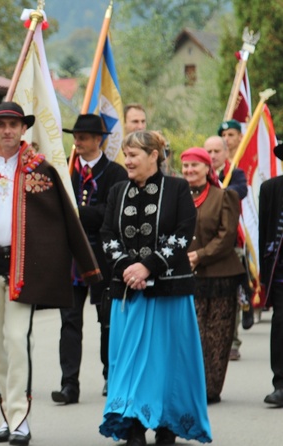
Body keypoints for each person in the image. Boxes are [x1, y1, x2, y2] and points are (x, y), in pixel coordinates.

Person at [0, 101, 102, 445]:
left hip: (20, 271)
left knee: (17, 340)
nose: (7, 131)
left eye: (13, 125)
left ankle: (20, 418)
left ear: (23, 129)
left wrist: (89, 269)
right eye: (1, 124)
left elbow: (61, 220)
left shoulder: (38, 169)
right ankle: (9, 410)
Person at [99, 131, 211, 445]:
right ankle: (133, 423)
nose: (127, 160)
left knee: (168, 362)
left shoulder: (177, 188)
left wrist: (149, 265)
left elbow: (183, 232)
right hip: (129, 293)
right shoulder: (118, 190)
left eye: (134, 154)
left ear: (154, 156)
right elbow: (107, 234)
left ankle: (167, 425)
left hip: (170, 294)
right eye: (126, 154)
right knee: (130, 361)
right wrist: (126, 267)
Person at [52, 114, 127, 405]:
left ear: (99, 140)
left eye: (83, 137)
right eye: (76, 137)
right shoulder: (65, 172)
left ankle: (112, 376)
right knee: (69, 323)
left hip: (103, 260)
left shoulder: (116, 174)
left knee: (107, 321)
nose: (77, 142)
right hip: (71, 260)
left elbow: (110, 215)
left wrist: (73, 211)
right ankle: (69, 384)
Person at [181, 147, 245, 404]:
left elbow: (227, 236)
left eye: (195, 166)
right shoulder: (178, 197)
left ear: (208, 168)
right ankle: (192, 385)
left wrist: (199, 255)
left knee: (217, 335)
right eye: (185, 166)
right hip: (187, 276)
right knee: (193, 333)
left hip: (221, 275)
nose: (189, 171)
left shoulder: (224, 196)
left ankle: (211, 388)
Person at [207, 130, 249, 361]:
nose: (212, 155)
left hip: (231, 243)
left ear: (226, 152)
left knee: (231, 295)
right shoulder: (200, 174)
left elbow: (239, 192)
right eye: (209, 151)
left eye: (216, 151)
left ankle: (232, 341)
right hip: (204, 244)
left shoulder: (235, 173)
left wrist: (218, 194)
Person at [258, 142, 283, 407]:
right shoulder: (271, 189)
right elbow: (264, 232)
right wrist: (264, 276)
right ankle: (281, 384)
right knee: (281, 327)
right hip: (281, 274)